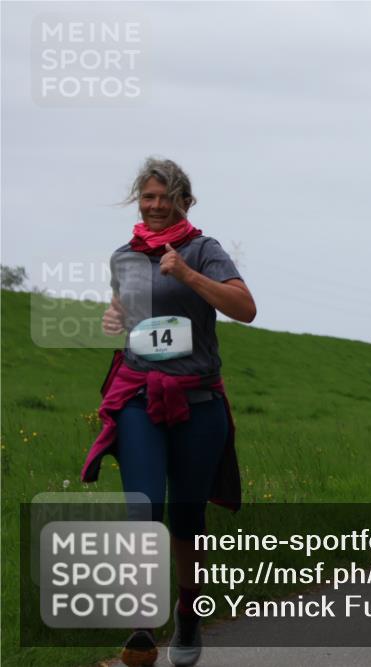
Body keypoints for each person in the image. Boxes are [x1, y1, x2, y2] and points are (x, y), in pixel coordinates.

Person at [83, 158, 257, 667]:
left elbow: (245, 308)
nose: (156, 206)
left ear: (185, 201)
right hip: (138, 396)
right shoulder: (123, 256)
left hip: (196, 400)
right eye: (148, 197)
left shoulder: (205, 250)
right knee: (142, 507)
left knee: (186, 516)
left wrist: (186, 272)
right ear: (138, 200)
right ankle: (141, 626)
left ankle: (186, 613)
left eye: (165, 198)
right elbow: (127, 311)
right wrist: (113, 316)